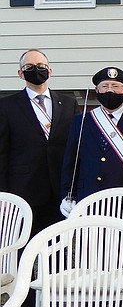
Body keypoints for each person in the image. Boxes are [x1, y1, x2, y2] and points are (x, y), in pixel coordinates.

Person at [0, 49, 77, 236]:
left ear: (50, 70)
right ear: (20, 73)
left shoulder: (68, 104)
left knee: (57, 252)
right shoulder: (6, 106)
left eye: (41, 66)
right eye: (29, 67)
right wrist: (3, 196)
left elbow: (75, 148)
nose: (36, 70)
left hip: (59, 193)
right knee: (21, 251)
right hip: (23, 193)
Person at [59, 67, 123, 213]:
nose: (109, 90)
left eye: (115, 86)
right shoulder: (81, 121)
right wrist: (67, 196)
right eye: (104, 86)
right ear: (97, 90)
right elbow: (71, 162)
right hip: (88, 196)